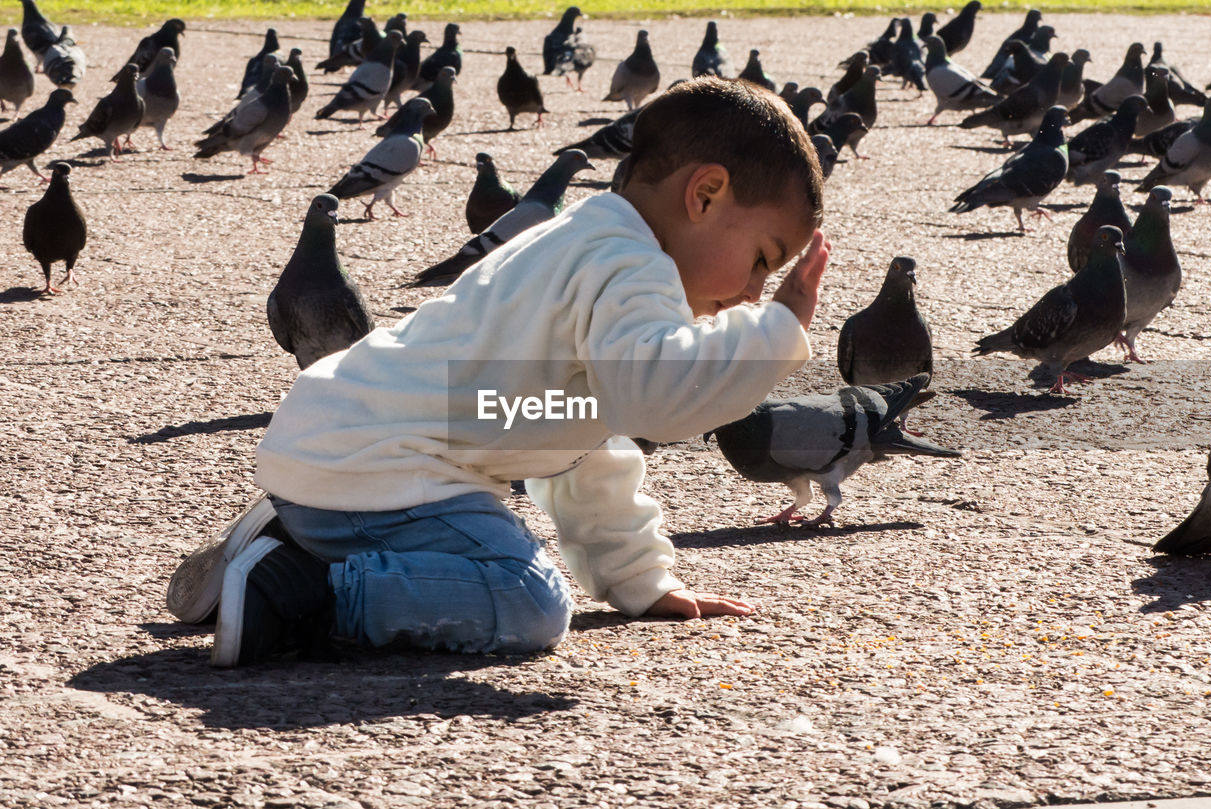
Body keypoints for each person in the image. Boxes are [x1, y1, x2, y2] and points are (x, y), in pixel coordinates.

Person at [176, 77, 831, 667]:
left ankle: (284, 544)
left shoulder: (578, 243)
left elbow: (582, 441)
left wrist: (641, 580)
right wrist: (774, 332)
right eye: (760, 259)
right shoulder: (629, 269)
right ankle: (297, 593)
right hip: (385, 474)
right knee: (528, 600)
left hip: (328, 453)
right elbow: (660, 398)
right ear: (706, 194)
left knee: (499, 534)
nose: (752, 291)